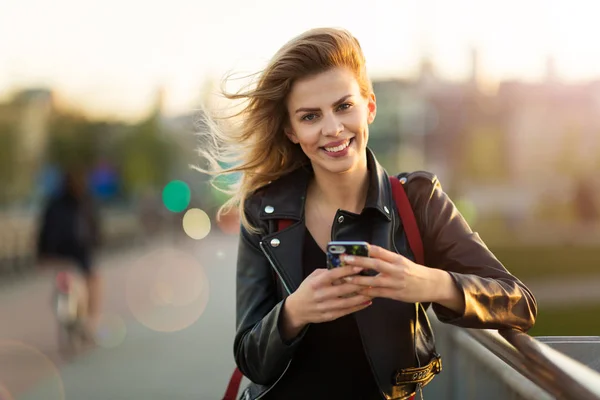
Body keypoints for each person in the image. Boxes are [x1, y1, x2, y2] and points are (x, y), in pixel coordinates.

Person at [198, 27, 537, 400]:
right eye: (310, 116)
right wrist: (294, 312)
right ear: (291, 130)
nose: (332, 128)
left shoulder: (420, 201)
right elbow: (250, 358)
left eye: (344, 106)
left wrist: (431, 283)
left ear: (369, 107)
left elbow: (518, 302)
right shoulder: (263, 213)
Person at [37, 168, 103, 334]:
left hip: (57, 251)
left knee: (69, 280)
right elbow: (94, 228)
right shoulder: (85, 202)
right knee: (92, 279)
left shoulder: (53, 202)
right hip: (75, 251)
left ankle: (81, 317)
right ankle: (90, 321)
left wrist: (41, 253)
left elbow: (42, 230)